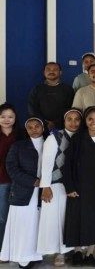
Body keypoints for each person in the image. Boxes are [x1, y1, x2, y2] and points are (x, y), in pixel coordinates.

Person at [62, 106, 95, 267]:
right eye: (90, 119)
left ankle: (90, 253)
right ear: (85, 121)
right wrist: (69, 187)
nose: (94, 122)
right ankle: (78, 252)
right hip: (79, 187)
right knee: (78, 219)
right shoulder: (77, 138)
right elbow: (67, 165)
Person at [0, 118, 45, 268]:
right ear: (26, 130)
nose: (34, 129)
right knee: (23, 225)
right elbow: (11, 168)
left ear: (42, 128)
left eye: (37, 126)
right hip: (23, 192)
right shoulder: (18, 146)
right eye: (30, 127)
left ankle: (35, 254)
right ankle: (23, 257)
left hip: (44, 193)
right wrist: (32, 181)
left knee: (38, 224)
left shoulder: (50, 144)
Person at [37, 109, 80, 266]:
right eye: (70, 119)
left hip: (75, 185)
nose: (73, 122)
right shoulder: (54, 137)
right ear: (64, 120)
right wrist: (46, 186)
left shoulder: (82, 136)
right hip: (56, 185)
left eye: (77, 119)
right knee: (57, 219)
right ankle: (59, 252)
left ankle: (72, 250)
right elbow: (46, 163)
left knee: (71, 219)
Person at [27, 62, 74, 130]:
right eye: (48, 69)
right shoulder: (37, 89)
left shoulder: (68, 89)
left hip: (63, 126)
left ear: (60, 72)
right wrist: (45, 122)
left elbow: (70, 108)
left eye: (55, 69)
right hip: (40, 127)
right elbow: (32, 108)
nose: (51, 71)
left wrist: (56, 123)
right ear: (44, 72)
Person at [0, 103, 20, 253]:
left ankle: (15, 248)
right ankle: (3, 249)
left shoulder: (21, 134)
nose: (7, 120)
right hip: (1, 182)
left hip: (19, 182)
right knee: (2, 217)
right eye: (3, 116)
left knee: (16, 218)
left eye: (10, 116)